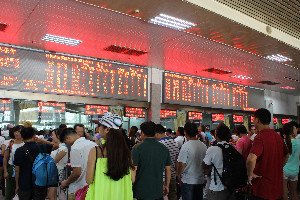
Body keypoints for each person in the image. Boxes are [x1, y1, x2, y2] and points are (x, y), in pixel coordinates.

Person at [246, 108, 288, 200]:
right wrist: (278, 166)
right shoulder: (278, 137)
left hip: (263, 189)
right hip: (277, 188)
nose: (253, 122)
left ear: (257, 120)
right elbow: (286, 154)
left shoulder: (260, 137)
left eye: (254, 119)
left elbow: (251, 159)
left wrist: (250, 174)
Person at [85, 128, 135, 200]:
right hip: (121, 195)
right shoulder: (126, 154)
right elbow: (132, 179)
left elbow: (89, 180)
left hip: (100, 194)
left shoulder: (95, 151)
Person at [132, 121, 171, 200]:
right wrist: (167, 185)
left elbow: (133, 171)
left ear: (142, 133)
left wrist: (131, 186)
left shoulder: (136, 148)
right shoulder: (164, 148)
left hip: (141, 191)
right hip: (158, 191)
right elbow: (168, 170)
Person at [14, 127, 51, 200]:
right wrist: (42, 140)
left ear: (22, 136)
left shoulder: (19, 151)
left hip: (24, 183)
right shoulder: (42, 147)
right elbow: (55, 145)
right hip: (40, 183)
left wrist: (17, 185)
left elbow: (17, 170)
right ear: (34, 135)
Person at [59, 128, 97, 200]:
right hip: (92, 186)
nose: (67, 144)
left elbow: (76, 173)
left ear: (68, 138)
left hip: (79, 189)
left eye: (66, 142)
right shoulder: (93, 144)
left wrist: (66, 182)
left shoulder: (75, 148)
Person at [177, 122, 207, 200]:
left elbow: (182, 165)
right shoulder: (203, 146)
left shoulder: (185, 146)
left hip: (188, 181)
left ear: (185, 132)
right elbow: (206, 164)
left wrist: (179, 176)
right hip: (200, 180)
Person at [202, 124, 233, 200]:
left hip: (216, 188)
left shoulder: (212, 149)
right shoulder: (232, 148)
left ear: (216, 135)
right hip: (230, 187)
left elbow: (204, 166)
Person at [155, 124, 179, 200]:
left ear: (157, 133)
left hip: (163, 177)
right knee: (172, 195)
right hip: (172, 174)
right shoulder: (174, 142)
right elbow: (176, 160)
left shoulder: (160, 144)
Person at [3, 125, 24, 200]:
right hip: (11, 169)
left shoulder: (26, 143)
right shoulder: (10, 143)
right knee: (9, 192)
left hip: (23, 170)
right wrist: (5, 171)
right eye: (15, 131)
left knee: (21, 192)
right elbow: (5, 158)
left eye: (19, 131)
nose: (16, 133)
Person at [48, 129, 68, 200]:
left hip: (57, 174)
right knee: (54, 195)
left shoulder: (63, 148)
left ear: (58, 136)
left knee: (52, 195)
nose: (51, 137)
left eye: (53, 135)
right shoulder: (60, 147)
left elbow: (53, 162)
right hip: (55, 173)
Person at [282, 122, 300, 200]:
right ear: (292, 131)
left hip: (284, 170)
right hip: (295, 170)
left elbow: (284, 158)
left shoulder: (283, 142)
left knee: (284, 193)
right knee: (294, 192)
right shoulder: (299, 142)